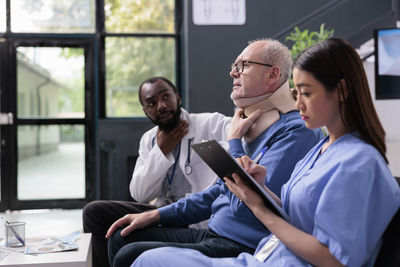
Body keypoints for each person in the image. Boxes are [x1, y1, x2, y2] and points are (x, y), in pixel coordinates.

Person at [130, 38, 400, 267]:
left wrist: (260, 206)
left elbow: (335, 259)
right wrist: (259, 191)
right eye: (296, 91)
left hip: (274, 258)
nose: (297, 101)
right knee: (146, 257)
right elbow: (298, 214)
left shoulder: (358, 164)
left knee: (146, 260)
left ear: (340, 91)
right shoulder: (322, 148)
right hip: (266, 256)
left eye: (306, 92)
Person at [106, 39, 323, 267]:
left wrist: (234, 141)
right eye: (234, 66)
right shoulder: (253, 125)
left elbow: (247, 208)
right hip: (214, 232)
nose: (232, 73)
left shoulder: (294, 132)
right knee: (122, 236)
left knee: (127, 255)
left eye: (243, 66)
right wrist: (155, 215)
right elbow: (218, 191)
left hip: (241, 244)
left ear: (272, 75)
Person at [82, 76, 231, 267]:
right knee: (93, 212)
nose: (161, 106)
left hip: (195, 216)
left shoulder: (210, 124)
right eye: (151, 103)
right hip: (162, 211)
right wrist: (161, 151)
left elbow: (241, 136)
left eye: (166, 97)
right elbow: (140, 194)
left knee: (122, 236)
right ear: (145, 111)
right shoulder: (149, 140)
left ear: (178, 98)